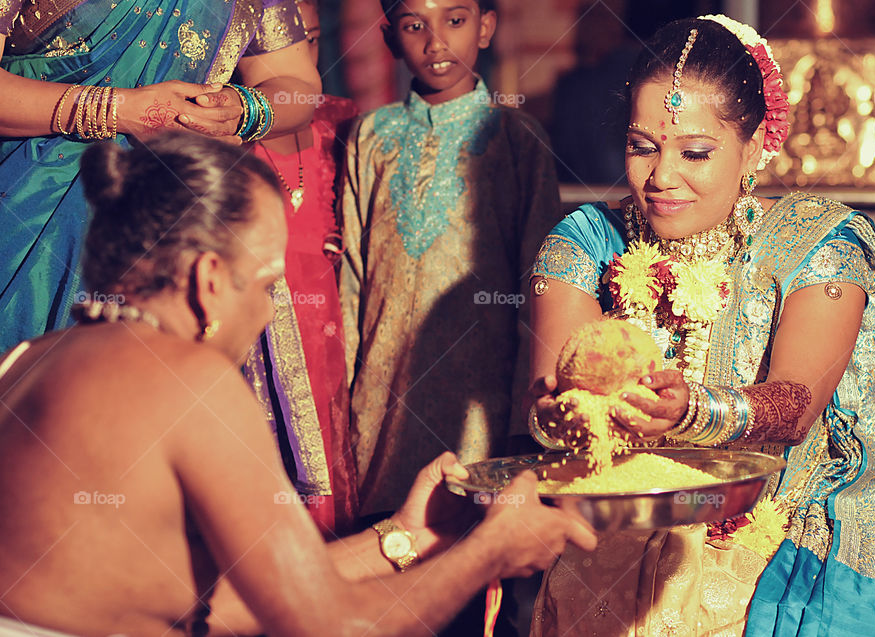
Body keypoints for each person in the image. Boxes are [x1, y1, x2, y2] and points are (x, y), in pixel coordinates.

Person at [0, 133, 597, 637]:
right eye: (265, 286)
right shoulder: (190, 380)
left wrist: (406, 537)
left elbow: (220, 601)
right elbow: (330, 627)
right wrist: (492, 550)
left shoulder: (28, 358)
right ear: (210, 280)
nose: (267, 314)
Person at [526, 15, 875, 636]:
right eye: (642, 146)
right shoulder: (582, 246)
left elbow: (795, 406)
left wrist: (689, 412)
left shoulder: (820, 248)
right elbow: (554, 410)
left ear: (757, 145)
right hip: (611, 545)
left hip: (770, 553)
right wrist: (561, 411)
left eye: (695, 152)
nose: (661, 177)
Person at [339, 0, 562, 520]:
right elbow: (351, 278)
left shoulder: (517, 138)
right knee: (386, 558)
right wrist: (343, 404)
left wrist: (522, 416)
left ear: (485, 27)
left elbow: (541, 286)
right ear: (390, 36)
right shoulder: (370, 136)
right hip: (378, 404)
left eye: (455, 21)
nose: (435, 42)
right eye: (414, 25)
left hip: (482, 406)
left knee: (473, 556)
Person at [0, 0, 322, 353]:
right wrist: (118, 110)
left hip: (170, 221)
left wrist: (242, 109)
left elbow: (298, 85)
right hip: (25, 203)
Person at [247, 0, 360, 540]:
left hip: (333, 320)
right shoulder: (225, 133)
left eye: (310, 41)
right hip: (258, 318)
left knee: (334, 445)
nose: (300, 61)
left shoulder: (342, 124)